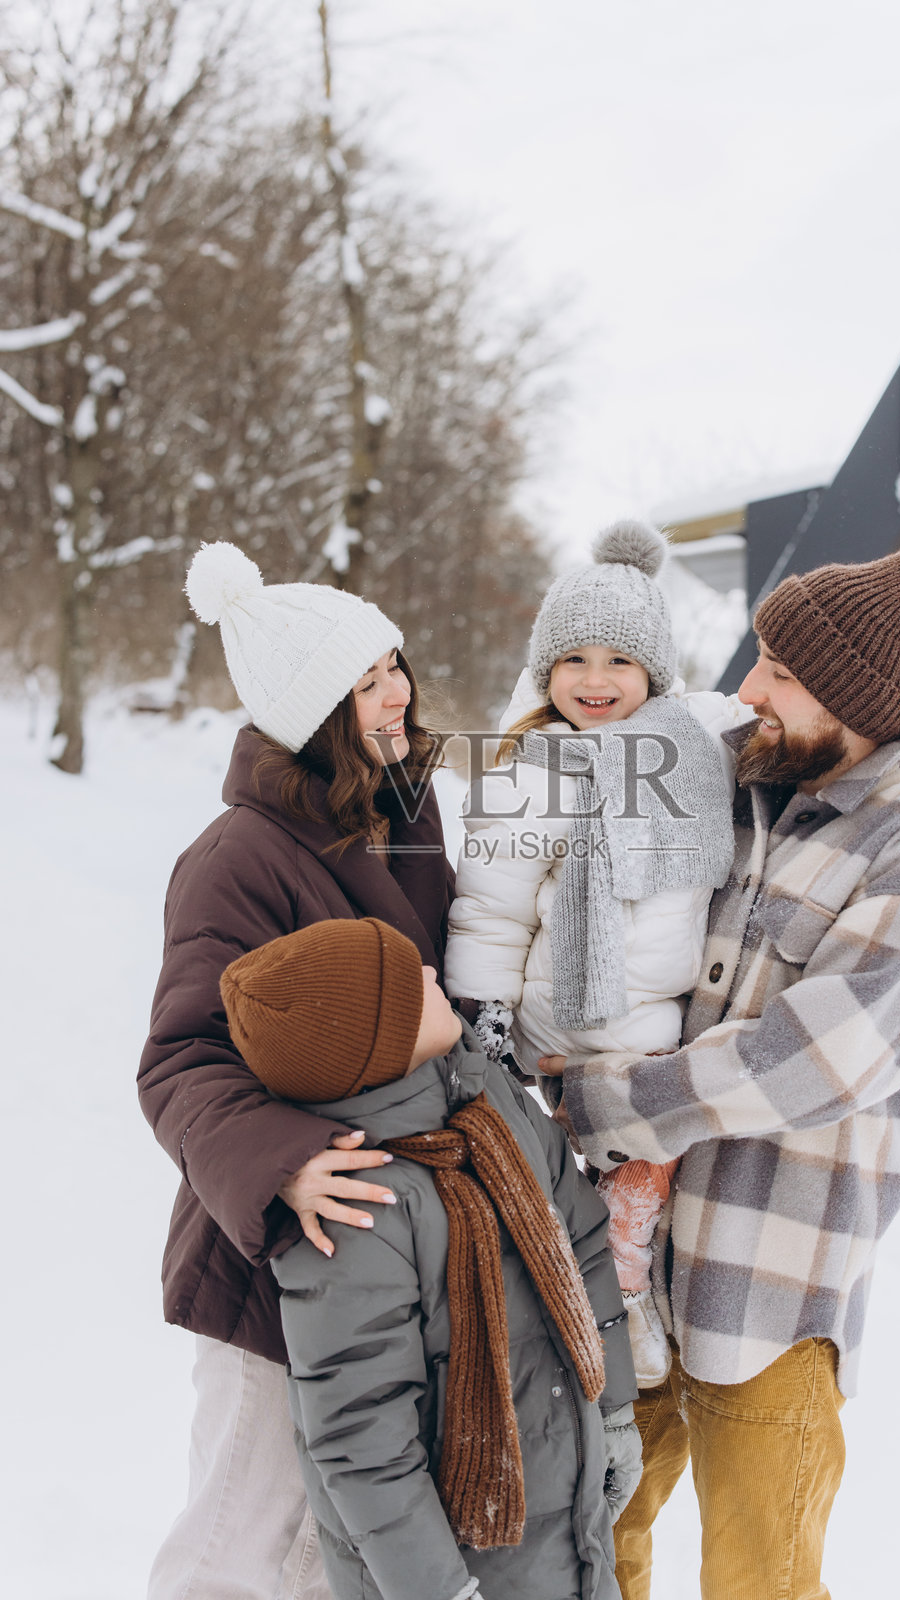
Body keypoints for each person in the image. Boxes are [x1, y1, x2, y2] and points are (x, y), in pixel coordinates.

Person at [544, 547, 900, 1600]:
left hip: (771, 1288)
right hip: (629, 1263)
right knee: (584, 1549)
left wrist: (606, 1100)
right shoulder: (744, 781)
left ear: (851, 700)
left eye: (780, 673)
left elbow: (817, 1055)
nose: (747, 688)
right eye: (756, 658)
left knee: (759, 1581)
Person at [138, 542, 454, 1600]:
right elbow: (180, 1057)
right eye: (365, 682)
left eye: (392, 663)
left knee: (333, 1558)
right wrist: (283, 1165)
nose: (396, 690)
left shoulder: (400, 817)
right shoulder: (238, 856)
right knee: (236, 1544)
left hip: (384, 1260)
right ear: (317, 712)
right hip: (270, 1263)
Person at [218, 915, 641, 1600]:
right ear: (372, 1046)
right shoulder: (355, 1207)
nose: (428, 974)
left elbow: (581, 1240)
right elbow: (362, 1439)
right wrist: (438, 1591)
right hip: (450, 1560)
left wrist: (614, 1408)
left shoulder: (490, 1103)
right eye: (404, 985)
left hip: (566, 1517)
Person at [445, 521, 742, 1386]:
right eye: (573, 660)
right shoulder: (529, 770)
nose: (595, 680)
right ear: (544, 673)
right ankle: (583, 1311)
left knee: (642, 1190)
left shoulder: (694, 747)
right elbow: (490, 910)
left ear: (655, 671)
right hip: (552, 1030)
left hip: (651, 1032)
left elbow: (782, 715)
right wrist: (488, 1020)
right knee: (558, 1198)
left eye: (619, 659)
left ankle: (626, 1289)